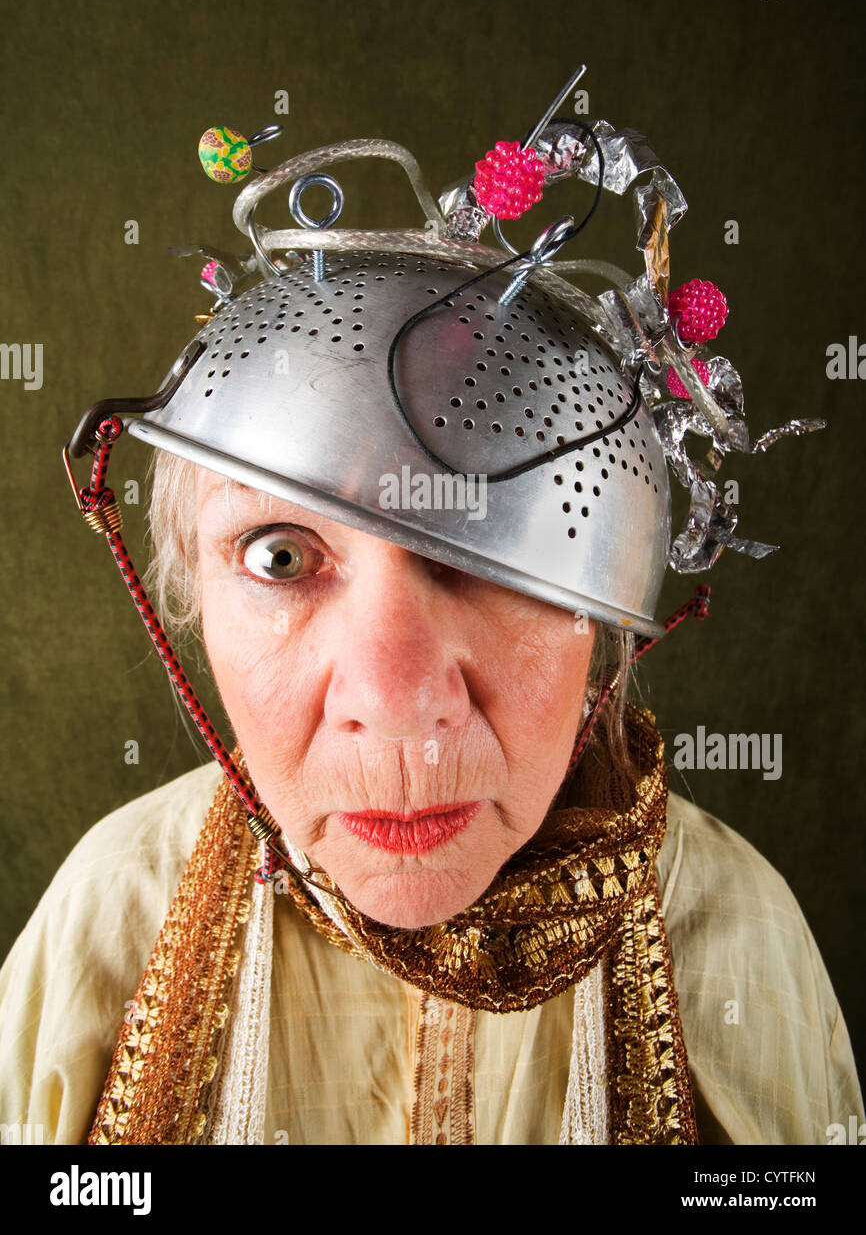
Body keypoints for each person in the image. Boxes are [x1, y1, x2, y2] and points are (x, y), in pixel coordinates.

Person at [0, 88, 861, 1145]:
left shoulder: (733, 938)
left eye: (489, 556)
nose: (398, 703)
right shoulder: (109, 921)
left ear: (602, 613)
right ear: (190, 590)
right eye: (280, 556)